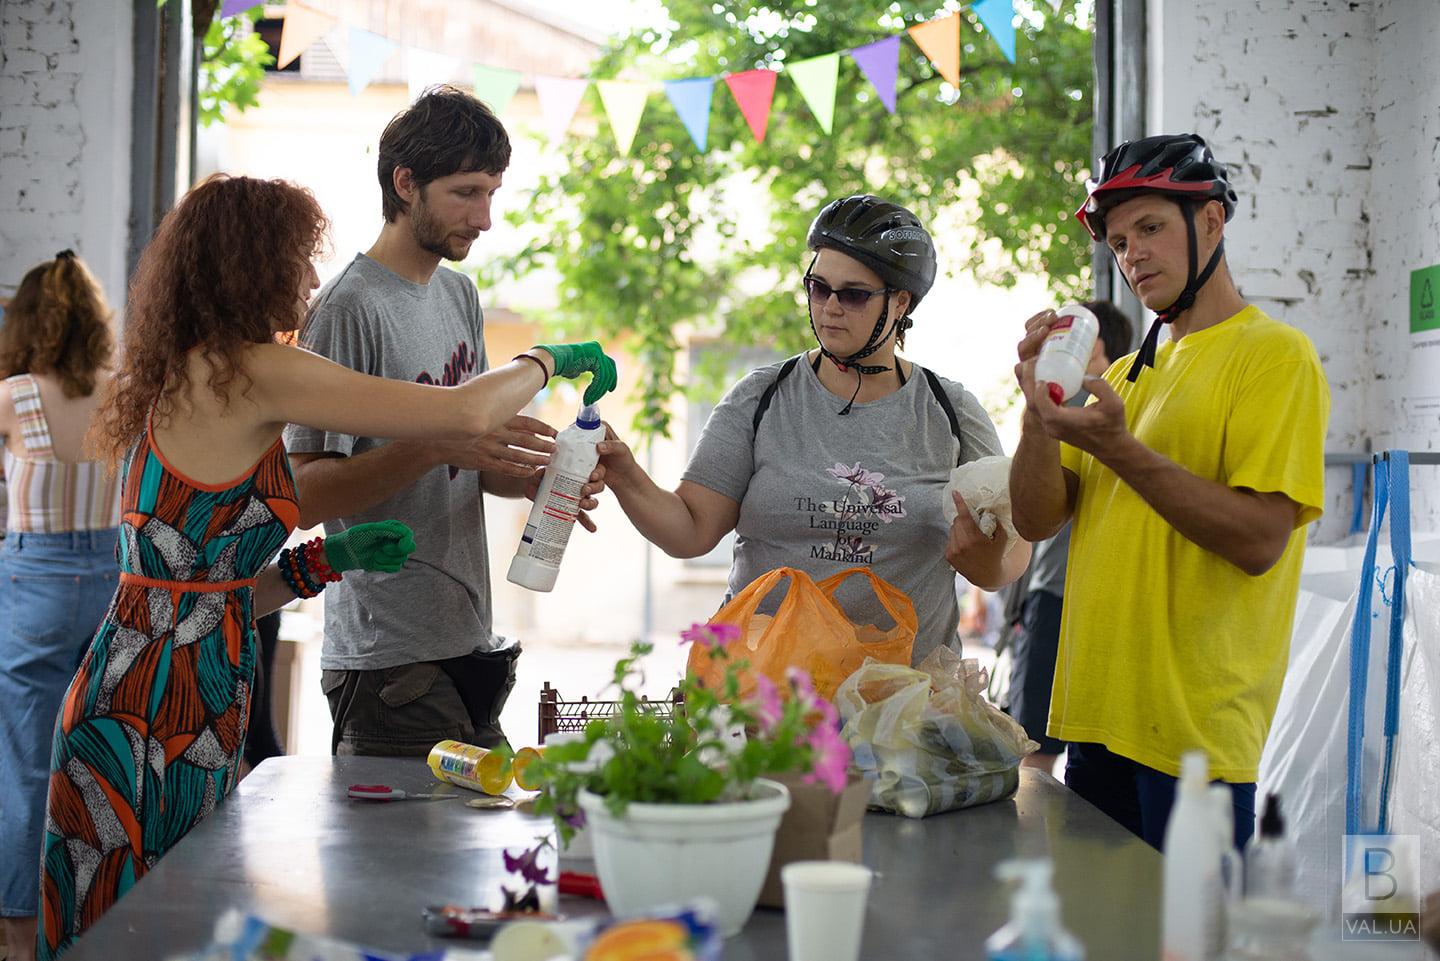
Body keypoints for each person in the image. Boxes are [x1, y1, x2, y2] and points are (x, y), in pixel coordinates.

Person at [36, 174, 615, 959]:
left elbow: (201, 594)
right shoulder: (253, 370)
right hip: (156, 710)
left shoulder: (183, 371)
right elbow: (460, 414)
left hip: (155, 686)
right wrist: (548, 357)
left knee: (141, 931)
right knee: (149, 936)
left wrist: (321, 562)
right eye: (298, 262)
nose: (311, 282)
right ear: (252, 266)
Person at [1009, 133, 1329, 851]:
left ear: (1211, 221)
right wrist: (1036, 407)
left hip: (1195, 745)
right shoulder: (1122, 377)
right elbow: (1035, 516)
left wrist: (1120, 450)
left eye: (1150, 228)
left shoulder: (1276, 356)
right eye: (1119, 242)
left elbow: (1258, 541)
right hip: (1095, 724)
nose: (1132, 256)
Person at [285, 87, 604, 756]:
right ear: (406, 184)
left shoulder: (459, 292)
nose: (485, 217)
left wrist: (540, 479)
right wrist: (435, 443)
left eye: (492, 192)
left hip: (470, 644)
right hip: (387, 664)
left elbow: (469, 456)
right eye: (466, 192)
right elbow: (305, 494)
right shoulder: (347, 308)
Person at [599, 195, 1031, 664]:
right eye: (818, 287)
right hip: (764, 695)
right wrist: (626, 474)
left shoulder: (950, 410)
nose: (829, 307)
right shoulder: (760, 397)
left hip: (902, 705)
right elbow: (690, 531)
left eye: (853, 294)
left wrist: (986, 561)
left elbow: (1012, 553)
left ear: (901, 301)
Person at [0, 252, 122, 961]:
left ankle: (18, 925)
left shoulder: (13, 395)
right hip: (113, 583)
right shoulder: (125, 389)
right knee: (95, 760)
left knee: (24, 761)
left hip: (35, 584)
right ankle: (89, 916)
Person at [1006, 299, 1132, 773]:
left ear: (1093, 344)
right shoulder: (1081, 401)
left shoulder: (1082, 401)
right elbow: (1029, 513)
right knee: (1069, 752)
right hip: (1071, 595)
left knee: (1034, 752)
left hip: (1061, 595)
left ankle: (1034, 845)